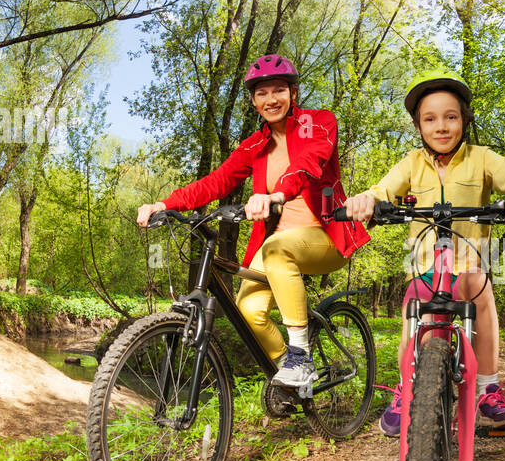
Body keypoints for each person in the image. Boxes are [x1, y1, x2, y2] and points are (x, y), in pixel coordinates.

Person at [136, 54, 368, 388]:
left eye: (279, 90)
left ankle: (301, 357)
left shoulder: (318, 122)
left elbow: (308, 162)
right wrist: (163, 203)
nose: (271, 99)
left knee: (277, 250)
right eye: (262, 93)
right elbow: (216, 181)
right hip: (276, 242)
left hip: (325, 234)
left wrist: (277, 195)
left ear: (293, 93)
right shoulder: (255, 144)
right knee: (248, 312)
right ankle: (292, 374)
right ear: (253, 101)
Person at [342, 69, 505, 436]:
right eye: (430, 119)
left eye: (451, 117)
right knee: (414, 304)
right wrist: (365, 201)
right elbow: (382, 189)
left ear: (464, 120)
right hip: (422, 263)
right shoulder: (411, 164)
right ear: (419, 126)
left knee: (479, 288)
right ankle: (408, 386)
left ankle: (488, 390)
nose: (441, 126)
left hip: (470, 258)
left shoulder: (481, 159)